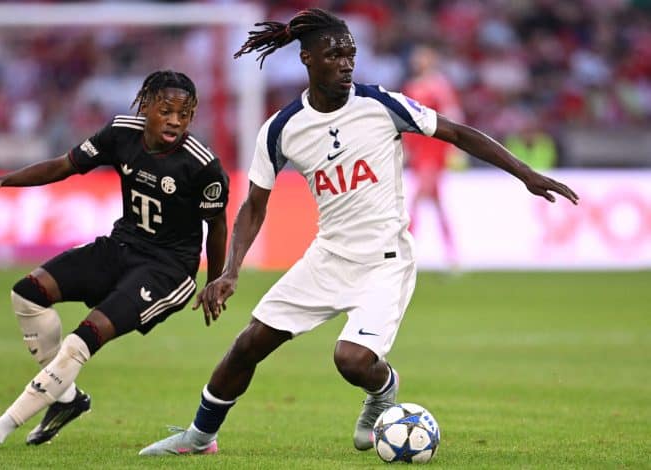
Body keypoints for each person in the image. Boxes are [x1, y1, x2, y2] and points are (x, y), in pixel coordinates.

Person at [138, 8, 579, 457]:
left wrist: (525, 173)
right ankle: (199, 437)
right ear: (308, 59)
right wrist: (229, 271)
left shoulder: (382, 105)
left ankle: (383, 388)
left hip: (385, 260)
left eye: (351, 53)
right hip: (327, 257)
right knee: (249, 343)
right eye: (335, 54)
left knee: (350, 359)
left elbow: (458, 134)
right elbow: (254, 205)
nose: (347, 62)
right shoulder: (281, 129)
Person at [0, 70, 229, 450]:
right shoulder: (120, 132)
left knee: (83, 337)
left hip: (168, 271)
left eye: (184, 116)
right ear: (146, 104)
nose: (175, 122)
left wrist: (216, 279)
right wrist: (4, 181)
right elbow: (64, 164)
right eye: (166, 111)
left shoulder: (202, 165)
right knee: (27, 294)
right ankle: (67, 400)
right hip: (121, 246)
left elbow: (216, 225)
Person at [402, 44, 464, 269]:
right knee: (436, 204)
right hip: (419, 150)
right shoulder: (411, 86)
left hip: (434, 149)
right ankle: (452, 254)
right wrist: (406, 148)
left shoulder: (439, 86)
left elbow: (452, 114)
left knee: (418, 199)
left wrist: (454, 146)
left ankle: (405, 255)